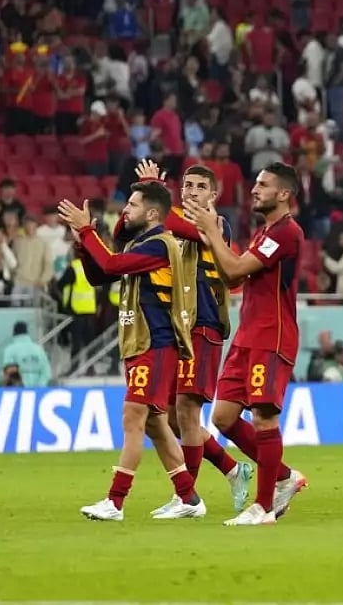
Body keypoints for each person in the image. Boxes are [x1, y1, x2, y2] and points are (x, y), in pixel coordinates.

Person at [59, 182, 206, 521]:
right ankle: (188, 496)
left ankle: (115, 501)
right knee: (154, 423)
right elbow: (99, 276)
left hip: (155, 344)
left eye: (133, 204)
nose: (125, 210)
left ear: (152, 213)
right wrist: (83, 242)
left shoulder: (160, 245)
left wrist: (88, 231)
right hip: (140, 343)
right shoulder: (142, 245)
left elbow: (110, 265)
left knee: (132, 415)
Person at [186, 162, 308, 525]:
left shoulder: (287, 232)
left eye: (263, 184)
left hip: (272, 335)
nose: (254, 189)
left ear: (283, 194)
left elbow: (236, 270)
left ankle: (263, 506)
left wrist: (212, 230)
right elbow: (232, 277)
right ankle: (284, 476)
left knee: (263, 417)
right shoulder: (263, 233)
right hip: (247, 336)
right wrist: (212, 238)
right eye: (255, 183)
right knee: (223, 417)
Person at [129, 161, 254, 517]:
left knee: (186, 409)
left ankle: (187, 497)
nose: (193, 191)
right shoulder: (172, 223)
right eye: (187, 185)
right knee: (169, 416)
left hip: (203, 324)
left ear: (214, 194)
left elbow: (174, 224)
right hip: (177, 328)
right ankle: (232, 469)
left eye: (201, 186)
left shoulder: (216, 223)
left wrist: (153, 192)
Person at [1, 321, 52, 387]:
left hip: (19, 390)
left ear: (14, 333)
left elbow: (10, 372)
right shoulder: (39, 349)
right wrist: (40, 386)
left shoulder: (10, 350)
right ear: (26, 332)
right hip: (39, 390)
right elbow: (47, 371)